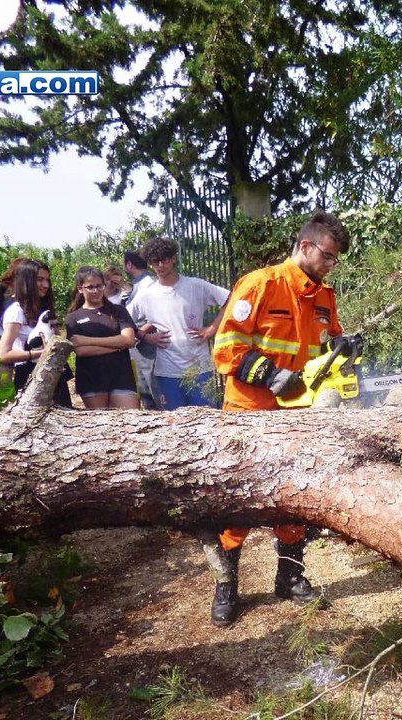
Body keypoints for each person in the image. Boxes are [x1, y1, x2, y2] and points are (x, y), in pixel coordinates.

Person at [206, 211, 351, 627]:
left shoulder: (324, 296)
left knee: (294, 494)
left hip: (300, 411)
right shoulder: (260, 284)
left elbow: (324, 343)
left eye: (334, 260)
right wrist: (270, 374)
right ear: (305, 247)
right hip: (250, 411)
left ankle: (289, 575)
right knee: (238, 501)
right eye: (326, 256)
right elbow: (226, 347)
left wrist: (339, 346)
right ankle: (225, 584)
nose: (329, 265)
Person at [127, 237, 231, 410]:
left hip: (200, 368)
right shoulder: (146, 295)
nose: (160, 266)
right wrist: (144, 337)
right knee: (174, 424)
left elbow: (230, 298)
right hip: (167, 371)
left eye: (164, 260)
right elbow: (124, 320)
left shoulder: (196, 286)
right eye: (154, 262)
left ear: (174, 258)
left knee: (206, 421)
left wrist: (211, 328)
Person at [0, 260, 73, 407]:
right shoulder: (16, 312)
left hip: (53, 374)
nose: (45, 285)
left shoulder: (42, 310)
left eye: (47, 280)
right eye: (39, 279)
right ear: (27, 281)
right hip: (30, 377)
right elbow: (3, 355)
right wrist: (41, 353)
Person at [64, 266, 141, 409]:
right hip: (92, 380)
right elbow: (81, 351)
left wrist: (88, 341)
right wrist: (117, 346)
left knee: (131, 420)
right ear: (80, 289)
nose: (96, 291)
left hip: (121, 377)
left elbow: (128, 340)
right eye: (90, 287)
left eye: (99, 286)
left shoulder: (118, 311)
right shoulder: (73, 318)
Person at [123, 250, 160, 409]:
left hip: (147, 345)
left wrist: (140, 334)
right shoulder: (137, 285)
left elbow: (156, 315)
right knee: (144, 389)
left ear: (129, 264)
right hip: (138, 345)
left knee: (153, 389)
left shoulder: (149, 284)